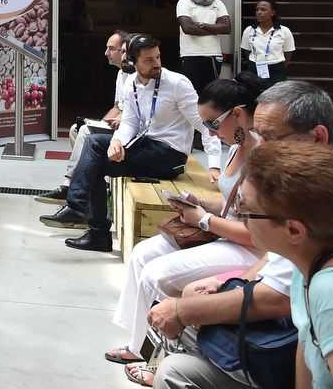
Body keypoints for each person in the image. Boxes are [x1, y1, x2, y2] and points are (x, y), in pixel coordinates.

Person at [145, 80, 333, 389]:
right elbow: (304, 334)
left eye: (247, 210)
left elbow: (278, 300)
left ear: (318, 137)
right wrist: (228, 282)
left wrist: (182, 310)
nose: (260, 147)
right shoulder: (313, 212)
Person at [107, 77, 264, 382]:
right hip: (225, 234)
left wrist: (203, 220)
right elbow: (231, 203)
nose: (211, 133)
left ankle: (158, 358)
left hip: (248, 249)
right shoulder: (236, 146)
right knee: (142, 254)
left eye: (213, 123)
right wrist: (199, 203)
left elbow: (258, 234)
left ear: (237, 113)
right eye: (205, 125)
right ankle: (138, 345)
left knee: (157, 274)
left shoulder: (262, 157)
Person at [40, 34, 222, 252]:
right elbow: (129, 123)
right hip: (145, 144)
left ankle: (84, 214)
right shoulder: (131, 84)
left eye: (158, 57)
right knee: (95, 148)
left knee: (94, 158)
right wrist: (117, 142)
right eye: (148, 60)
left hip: (171, 155)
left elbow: (205, 125)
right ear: (134, 62)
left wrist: (214, 165)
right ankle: (92, 228)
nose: (156, 63)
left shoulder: (177, 84)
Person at [245, 142, 333, 389]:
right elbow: (307, 339)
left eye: (247, 209)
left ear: (294, 230)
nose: (241, 217)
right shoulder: (319, 246)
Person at [37, 29, 132, 205]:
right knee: (76, 129)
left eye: (111, 48)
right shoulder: (121, 74)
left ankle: (68, 185)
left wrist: (107, 124)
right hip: (118, 124)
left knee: (86, 132)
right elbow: (117, 106)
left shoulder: (135, 76)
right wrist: (100, 124)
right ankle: (89, 182)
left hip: (127, 130)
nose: (106, 53)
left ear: (125, 51)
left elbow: (133, 112)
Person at [176, 0, 231, 96]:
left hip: (213, 55)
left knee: (210, 93)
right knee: (192, 93)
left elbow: (226, 28)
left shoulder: (218, 3)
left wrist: (204, 25)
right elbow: (187, 28)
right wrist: (215, 28)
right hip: (190, 55)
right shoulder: (184, 2)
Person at [239, 0, 294, 84]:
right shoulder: (249, 30)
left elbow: (288, 52)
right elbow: (247, 51)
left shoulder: (284, 31)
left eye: (263, 9)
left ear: (272, 13)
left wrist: (276, 65)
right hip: (254, 68)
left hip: (276, 70)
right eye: (257, 10)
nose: (259, 12)